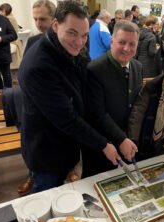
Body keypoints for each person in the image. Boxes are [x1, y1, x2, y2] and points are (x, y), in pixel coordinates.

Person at [18, 0, 121, 193]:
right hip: (46, 148)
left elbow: (86, 76)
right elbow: (67, 119)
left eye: (84, 36)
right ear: (56, 25)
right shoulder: (39, 66)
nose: (79, 42)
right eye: (72, 33)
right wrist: (104, 144)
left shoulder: (68, 46)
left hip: (66, 143)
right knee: (46, 196)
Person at [82, 20, 142, 178]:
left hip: (127, 143)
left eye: (132, 44)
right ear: (111, 41)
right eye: (122, 42)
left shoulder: (137, 67)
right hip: (102, 145)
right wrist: (120, 138)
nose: (126, 48)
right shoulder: (95, 69)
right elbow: (96, 113)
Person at [17, 0, 56, 196]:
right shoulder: (32, 41)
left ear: (54, 20)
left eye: (43, 19)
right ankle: (32, 175)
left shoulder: (65, 45)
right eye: (35, 19)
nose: (39, 23)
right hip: (33, 114)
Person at [0, 3, 23, 72]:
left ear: (6, 11)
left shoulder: (8, 19)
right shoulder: (9, 17)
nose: (0, 12)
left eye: (1, 11)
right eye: (0, 10)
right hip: (12, 40)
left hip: (13, 41)